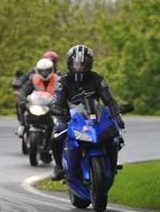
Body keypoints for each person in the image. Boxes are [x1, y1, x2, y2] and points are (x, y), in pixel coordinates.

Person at [49, 44, 124, 181]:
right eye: (75, 64)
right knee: (56, 136)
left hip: (93, 115)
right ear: (69, 63)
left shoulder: (98, 79)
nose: (78, 67)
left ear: (89, 64)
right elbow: (57, 99)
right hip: (69, 117)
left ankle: (111, 164)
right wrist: (56, 108)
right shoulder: (63, 81)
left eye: (82, 64)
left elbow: (109, 100)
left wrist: (117, 116)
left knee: (116, 136)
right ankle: (59, 166)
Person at [14, 50, 60, 136]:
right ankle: (22, 125)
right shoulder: (33, 77)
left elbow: (63, 92)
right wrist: (22, 98)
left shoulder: (58, 78)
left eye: (46, 71)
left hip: (51, 104)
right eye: (42, 71)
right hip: (37, 102)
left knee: (61, 123)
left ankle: (58, 133)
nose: (44, 73)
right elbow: (24, 89)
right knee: (20, 103)